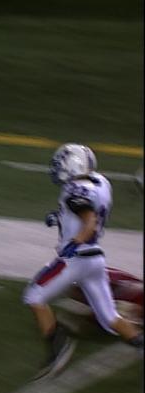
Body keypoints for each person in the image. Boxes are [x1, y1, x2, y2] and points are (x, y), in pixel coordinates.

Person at [23, 143, 143, 379]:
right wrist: (58, 216)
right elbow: (87, 211)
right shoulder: (99, 182)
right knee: (110, 319)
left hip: (77, 258)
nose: (57, 168)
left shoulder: (76, 190)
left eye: (61, 164)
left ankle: (58, 345)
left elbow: (87, 221)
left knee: (33, 296)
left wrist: (74, 243)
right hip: (95, 259)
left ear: (73, 165)